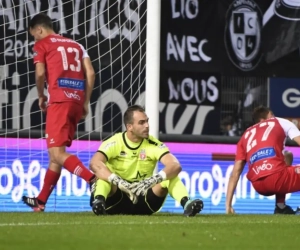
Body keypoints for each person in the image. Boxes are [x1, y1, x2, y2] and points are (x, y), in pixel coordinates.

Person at [22, 13, 97, 212]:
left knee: (57, 152)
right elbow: (90, 72)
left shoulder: (42, 44)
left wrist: (40, 95)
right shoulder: (76, 45)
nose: (34, 39)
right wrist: (85, 102)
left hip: (59, 100)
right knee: (55, 155)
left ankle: (93, 180)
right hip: (76, 100)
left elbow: (39, 73)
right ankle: (41, 201)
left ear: (39, 29)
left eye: (34, 35)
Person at [89, 105, 203, 216]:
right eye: (141, 122)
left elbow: (175, 165)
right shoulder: (114, 142)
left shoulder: (153, 144)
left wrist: (153, 180)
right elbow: (94, 163)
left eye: (147, 121)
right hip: (117, 200)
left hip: (144, 200)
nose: (147, 126)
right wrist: (118, 181)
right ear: (129, 127)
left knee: (170, 175)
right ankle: (99, 202)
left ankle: (187, 204)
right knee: (102, 175)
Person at [226, 105, 300, 215]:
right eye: (272, 115)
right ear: (265, 118)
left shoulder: (245, 135)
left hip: (259, 185)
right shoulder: (280, 122)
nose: (274, 117)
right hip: (277, 178)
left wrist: (228, 206)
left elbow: (235, 174)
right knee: (284, 162)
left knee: (287, 155)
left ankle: (280, 207)